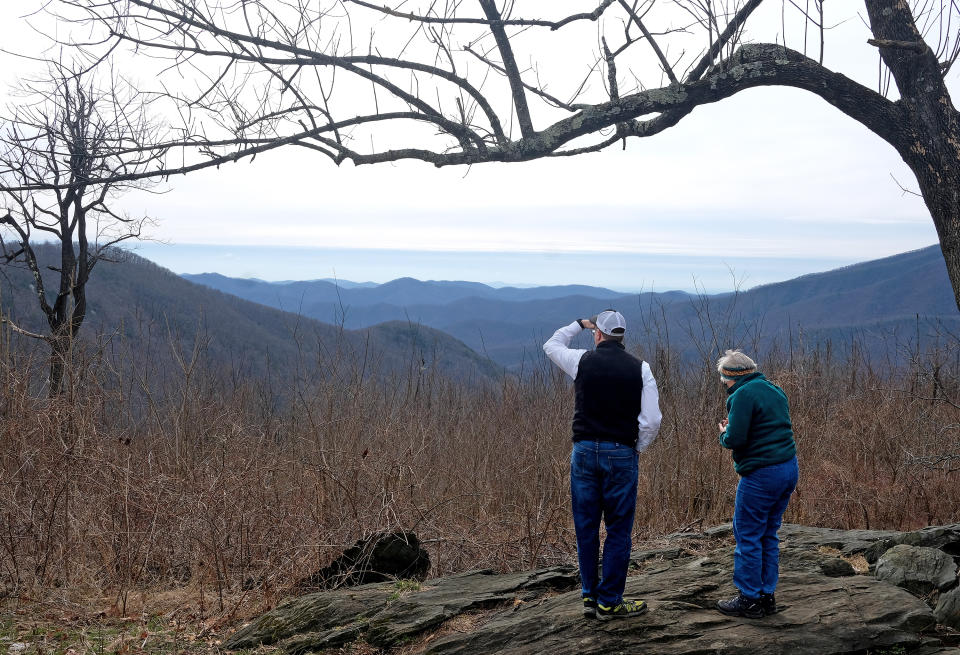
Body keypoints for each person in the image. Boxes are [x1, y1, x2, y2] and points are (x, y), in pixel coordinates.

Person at [543, 310, 661, 621]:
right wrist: (635, 447)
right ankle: (610, 601)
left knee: (586, 527)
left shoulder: (582, 361)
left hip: (583, 452)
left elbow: (551, 345)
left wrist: (577, 324)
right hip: (620, 453)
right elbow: (651, 420)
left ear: (598, 335)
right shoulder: (641, 369)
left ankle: (588, 596)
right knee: (618, 530)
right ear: (622, 336)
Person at [715, 349, 799, 619]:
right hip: (788, 468)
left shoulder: (741, 395)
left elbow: (736, 439)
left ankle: (749, 598)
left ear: (731, 376)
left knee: (748, 534)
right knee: (768, 534)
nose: (724, 385)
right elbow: (767, 427)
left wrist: (724, 433)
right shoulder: (774, 390)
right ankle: (766, 595)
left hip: (762, 474)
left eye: (723, 380)